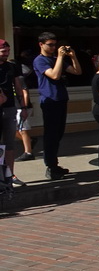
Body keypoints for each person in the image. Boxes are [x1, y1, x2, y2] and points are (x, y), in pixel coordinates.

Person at [34, 32, 82, 179]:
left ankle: (54, 164)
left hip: (61, 98)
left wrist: (72, 56)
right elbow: (54, 75)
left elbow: (77, 71)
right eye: (50, 45)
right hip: (49, 100)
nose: (54, 47)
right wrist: (60, 57)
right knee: (51, 135)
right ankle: (50, 166)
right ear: (41, 45)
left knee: (58, 134)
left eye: (55, 45)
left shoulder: (55, 59)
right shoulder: (40, 61)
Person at [0, 40, 29, 186]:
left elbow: (18, 88)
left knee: (9, 144)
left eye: (7, 51)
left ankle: (10, 175)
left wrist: (23, 107)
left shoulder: (12, 67)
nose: (6, 54)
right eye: (3, 52)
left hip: (10, 108)